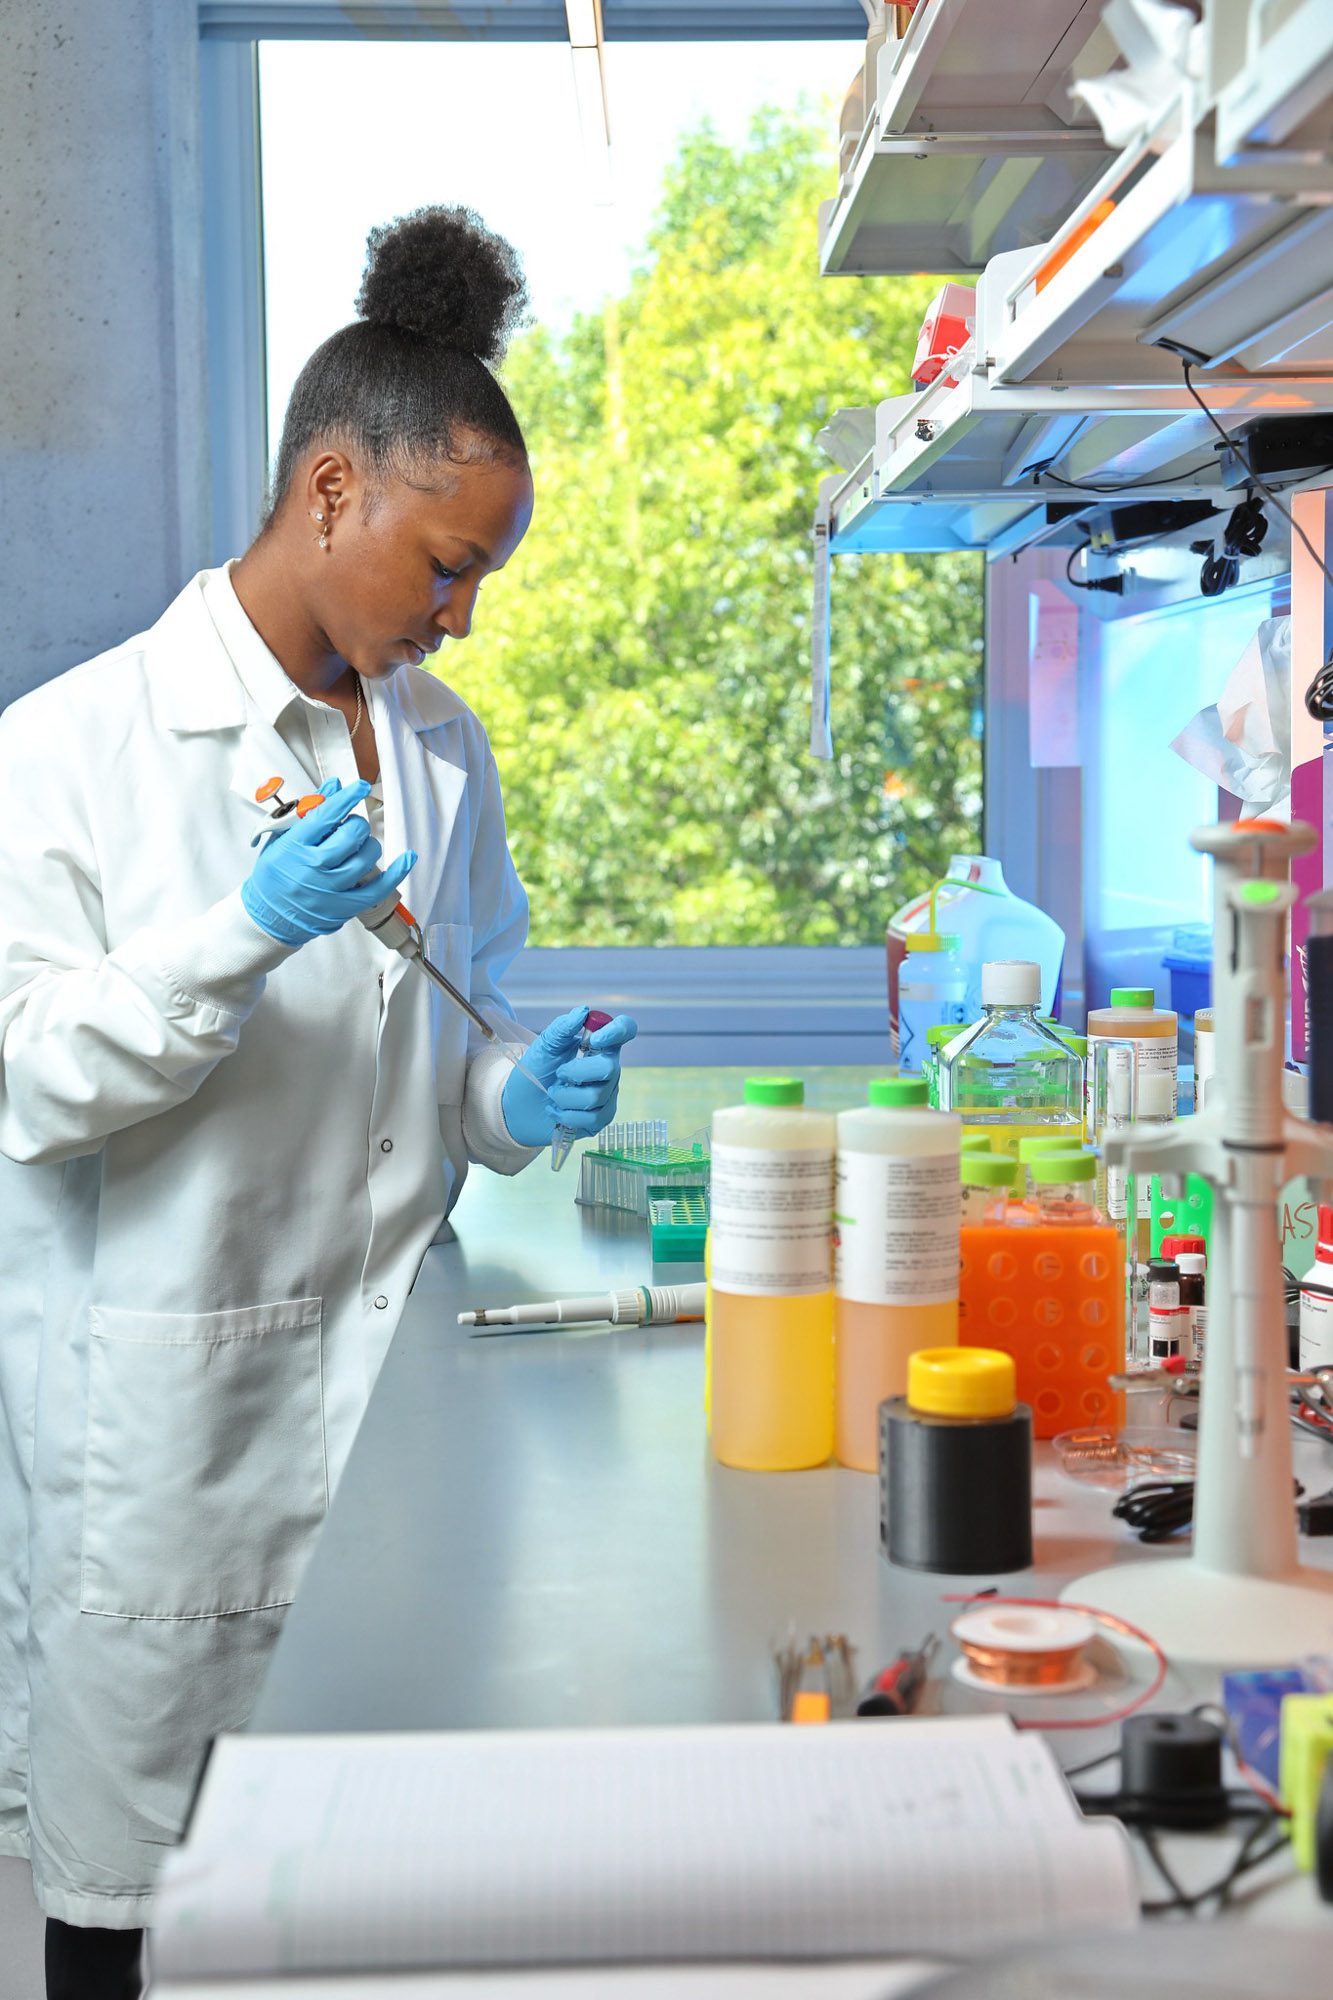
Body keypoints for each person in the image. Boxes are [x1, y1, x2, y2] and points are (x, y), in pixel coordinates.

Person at [0, 206, 636, 1999]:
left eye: (486, 577)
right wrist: (235, 935)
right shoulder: (68, 749)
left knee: (367, 1911)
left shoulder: (437, 744)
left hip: (399, 1423)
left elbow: (461, 1034)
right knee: (132, 1922)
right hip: (170, 1434)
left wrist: (524, 1092)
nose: (462, 614)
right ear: (334, 492)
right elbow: (31, 1082)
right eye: (448, 564)